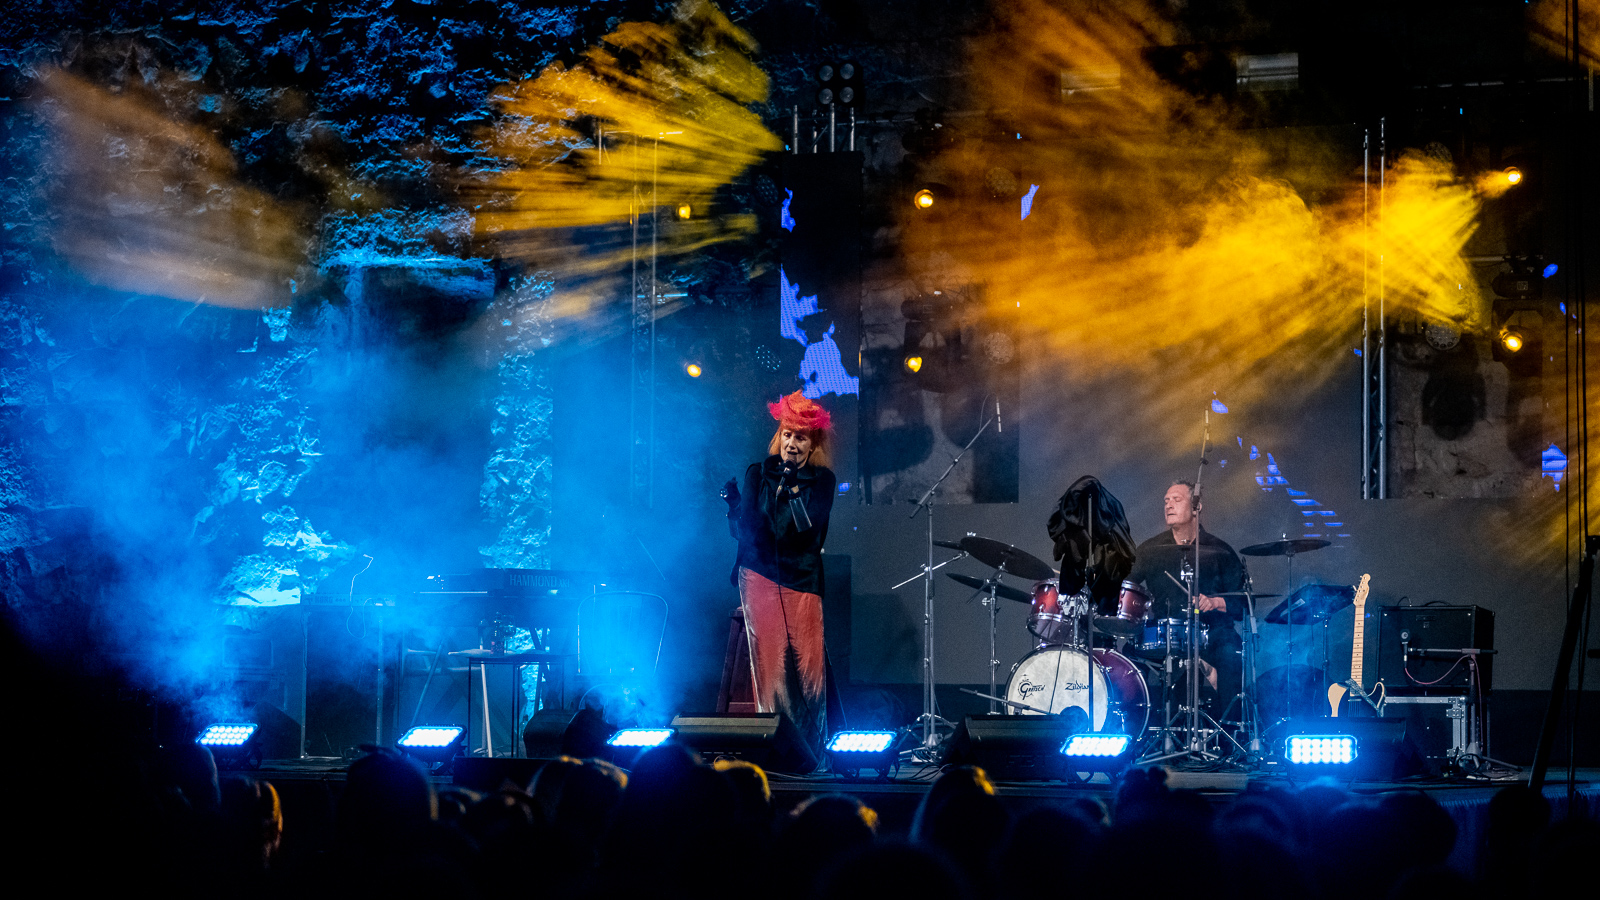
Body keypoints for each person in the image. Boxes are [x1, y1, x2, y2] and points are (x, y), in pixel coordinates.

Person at [723, 391, 837, 770]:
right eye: (787, 434)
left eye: (800, 437)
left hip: (802, 577)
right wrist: (734, 508)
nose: (791, 443)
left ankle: (813, 755)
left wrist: (793, 492)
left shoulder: (822, 480)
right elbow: (748, 532)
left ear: (812, 444)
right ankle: (775, 752)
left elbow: (810, 532)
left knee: (808, 669)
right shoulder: (758, 473)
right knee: (770, 667)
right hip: (759, 575)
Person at [1125, 481, 1246, 713]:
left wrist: (1214, 602)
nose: (1168, 505)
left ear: (1196, 507)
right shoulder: (1150, 549)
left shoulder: (1220, 551)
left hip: (1213, 634)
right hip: (1166, 635)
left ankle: (1229, 728)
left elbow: (1244, 603)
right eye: (1166, 501)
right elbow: (1127, 585)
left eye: (1176, 500)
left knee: (1231, 654)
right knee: (1129, 658)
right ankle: (1137, 726)